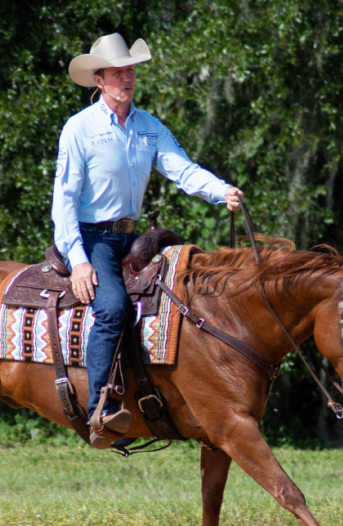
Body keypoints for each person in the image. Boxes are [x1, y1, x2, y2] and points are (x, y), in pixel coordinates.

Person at [52, 33, 244, 449]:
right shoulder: (79, 129)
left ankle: (172, 395)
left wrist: (221, 190)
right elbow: (64, 199)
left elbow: (183, 170)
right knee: (114, 307)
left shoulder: (148, 127)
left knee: (189, 292)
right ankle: (98, 411)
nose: (128, 78)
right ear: (99, 80)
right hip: (93, 237)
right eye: (118, 72)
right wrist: (79, 259)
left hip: (133, 237)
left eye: (131, 70)